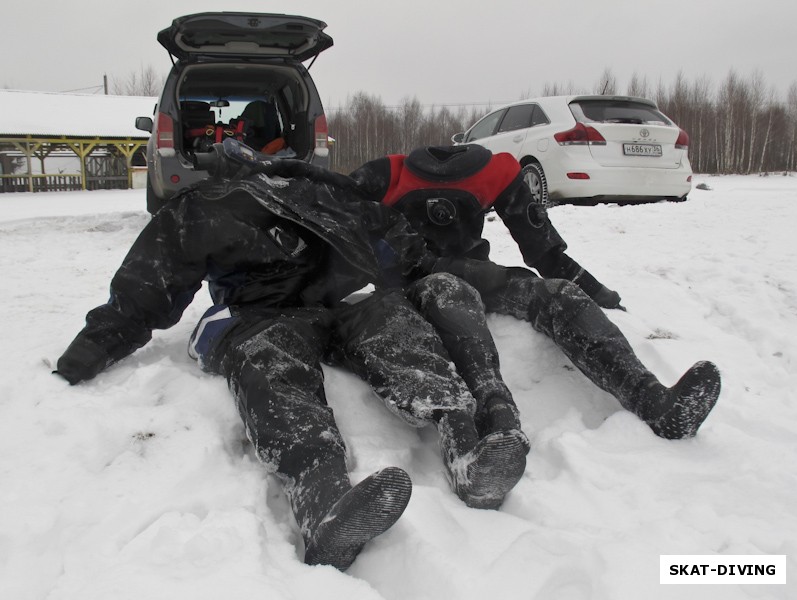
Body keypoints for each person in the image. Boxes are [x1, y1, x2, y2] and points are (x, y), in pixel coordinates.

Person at [54, 140, 526, 571]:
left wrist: (496, 281)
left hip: (335, 306)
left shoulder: (323, 195)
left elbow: (405, 248)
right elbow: (143, 290)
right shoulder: (204, 208)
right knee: (272, 363)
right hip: (262, 313)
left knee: (394, 322)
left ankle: (464, 449)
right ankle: (323, 505)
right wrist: (87, 353)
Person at [340, 144, 722, 441]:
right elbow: (339, 230)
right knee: (463, 289)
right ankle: (494, 424)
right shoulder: (389, 173)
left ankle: (655, 402)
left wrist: (598, 293)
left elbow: (544, 251)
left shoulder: (482, 172)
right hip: (419, 285)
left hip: (474, 277)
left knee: (557, 294)